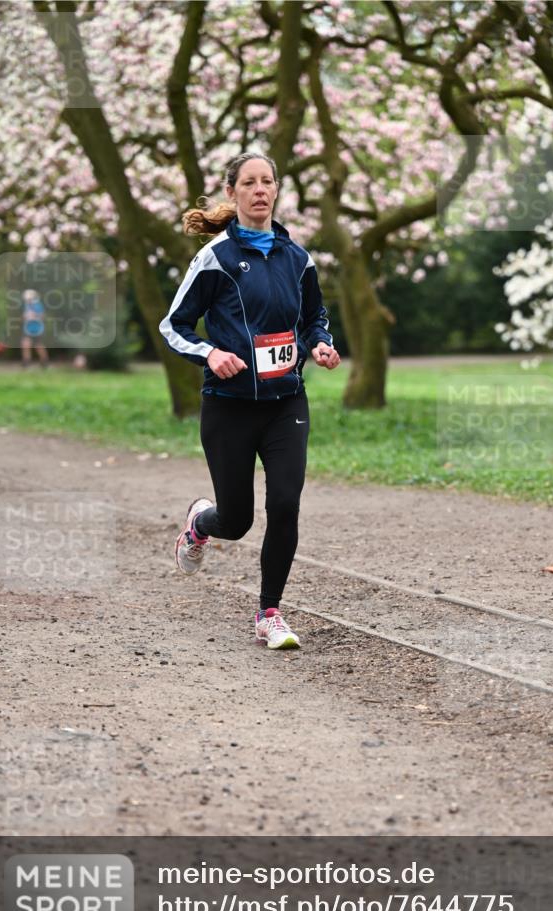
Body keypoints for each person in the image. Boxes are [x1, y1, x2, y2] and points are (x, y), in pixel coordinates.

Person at [159, 152, 340, 650]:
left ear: (277, 190)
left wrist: (320, 343)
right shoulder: (215, 257)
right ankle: (201, 524)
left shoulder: (297, 258)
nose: (260, 190)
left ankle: (269, 613)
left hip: (286, 402)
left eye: (267, 181)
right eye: (249, 183)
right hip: (229, 405)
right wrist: (210, 353)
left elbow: (313, 316)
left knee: (285, 503)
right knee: (236, 521)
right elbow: (173, 326)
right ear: (233, 193)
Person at [21, 289, 49, 368]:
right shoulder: (26, 306)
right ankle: (26, 362)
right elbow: (23, 317)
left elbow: (43, 316)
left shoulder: (38, 305)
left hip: (38, 329)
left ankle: (44, 361)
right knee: (25, 344)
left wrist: (34, 316)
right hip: (27, 329)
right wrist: (25, 317)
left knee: (39, 346)